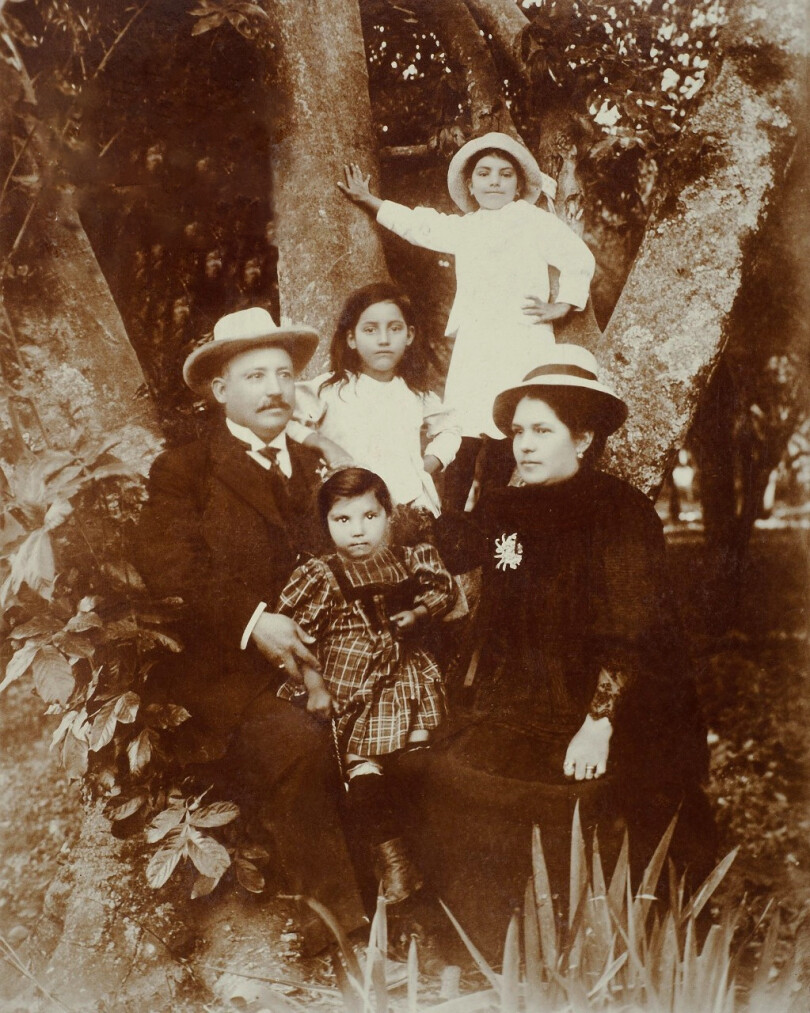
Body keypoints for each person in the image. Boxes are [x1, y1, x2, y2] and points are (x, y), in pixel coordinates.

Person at [411, 344, 716, 955]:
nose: (524, 445)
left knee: (589, 799)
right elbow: (457, 548)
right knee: (447, 775)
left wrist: (598, 724)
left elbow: (630, 629)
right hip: (526, 698)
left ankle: (597, 942)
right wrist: (444, 472)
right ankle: (492, 941)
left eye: (542, 431)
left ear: (582, 438)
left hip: (614, 705)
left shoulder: (620, 512)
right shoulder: (508, 505)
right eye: (518, 431)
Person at [133, 306, 367, 955]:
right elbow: (166, 562)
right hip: (229, 674)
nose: (274, 389)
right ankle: (339, 930)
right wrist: (253, 620)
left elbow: (363, 545)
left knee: (395, 729)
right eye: (255, 375)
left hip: (321, 657)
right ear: (220, 389)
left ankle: (411, 897)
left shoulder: (315, 465)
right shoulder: (186, 468)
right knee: (298, 743)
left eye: (284, 374)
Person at [337, 132, 596, 510]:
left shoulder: (533, 220)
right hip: (477, 340)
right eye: (484, 174)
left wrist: (564, 304)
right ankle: (451, 518)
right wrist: (369, 200)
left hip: (522, 338)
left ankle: (491, 514)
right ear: (470, 186)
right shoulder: (466, 227)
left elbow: (578, 257)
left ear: (518, 185)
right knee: (463, 426)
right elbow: (420, 226)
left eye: (505, 174)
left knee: (509, 425)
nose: (495, 182)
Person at [275, 467, 457, 905]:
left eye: (370, 516)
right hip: (351, 678)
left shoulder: (409, 558)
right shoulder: (321, 573)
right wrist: (316, 687)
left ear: (388, 515)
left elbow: (443, 591)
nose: (358, 531)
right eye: (343, 520)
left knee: (415, 761)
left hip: (406, 675)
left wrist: (418, 614)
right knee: (363, 768)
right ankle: (393, 861)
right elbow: (299, 637)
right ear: (326, 524)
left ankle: (428, 861)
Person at [286, 282, 461, 516]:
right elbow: (283, 417)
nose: (384, 340)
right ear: (351, 339)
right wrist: (322, 444)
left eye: (395, 328)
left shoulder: (415, 393)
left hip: (409, 508)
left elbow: (451, 428)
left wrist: (428, 464)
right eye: (370, 330)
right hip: (353, 511)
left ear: (409, 335)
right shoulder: (329, 389)